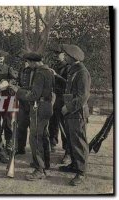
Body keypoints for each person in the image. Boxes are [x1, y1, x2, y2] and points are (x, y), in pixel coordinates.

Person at [10, 52, 54, 180]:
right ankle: (45, 163)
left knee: (35, 138)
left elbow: (34, 95)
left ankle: (39, 169)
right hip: (46, 106)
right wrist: (22, 87)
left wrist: (19, 91)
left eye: (29, 62)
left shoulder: (39, 73)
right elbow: (39, 88)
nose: (28, 65)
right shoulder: (48, 71)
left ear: (34, 62)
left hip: (38, 108)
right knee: (44, 136)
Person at [59, 44, 91, 186]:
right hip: (71, 113)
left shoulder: (82, 72)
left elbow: (83, 96)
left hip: (77, 113)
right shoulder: (73, 70)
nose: (64, 57)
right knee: (72, 140)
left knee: (78, 141)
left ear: (72, 57)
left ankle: (81, 172)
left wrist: (68, 107)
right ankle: (74, 165)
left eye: (66, 55)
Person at [0, 49, 18, 154]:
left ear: (4, 58)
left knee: (7, 121)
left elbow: (15, 79)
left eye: (1, 58)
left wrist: (6, 82)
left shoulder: (8, 68)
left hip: (5, 97)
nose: (0, 60)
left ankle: (8, 143)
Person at [15, 56, 33, 155]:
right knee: (21, 125)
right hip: (22, 101)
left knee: (34, 126)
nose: (25, 63)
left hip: (32, 100)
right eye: (24, 60)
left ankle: (38, 150)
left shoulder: (35, 71)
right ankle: (21, 147)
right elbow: (18, 80)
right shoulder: (21, 69)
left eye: (27, 61)